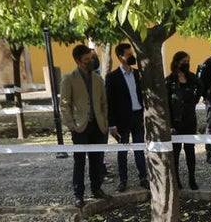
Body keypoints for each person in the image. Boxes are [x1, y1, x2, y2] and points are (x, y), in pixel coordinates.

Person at [60, 45, 111, 208]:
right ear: (78, 61)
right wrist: (71, 125)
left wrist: (105, 121)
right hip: (80, 127)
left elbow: (104, 102)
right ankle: (79, 194)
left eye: (91, 58)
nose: (91, 61)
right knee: (79, 161)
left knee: (97, 160)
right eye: (87, 59)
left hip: (98, 126)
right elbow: (65, 104)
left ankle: (97, 188)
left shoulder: (98, 79)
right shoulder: (69, 79)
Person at [105, 42, 148, 193]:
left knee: (139, 149)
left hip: (137, 116)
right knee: (122, 151)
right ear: (120, 57)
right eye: (129, 55)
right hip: (122, 120)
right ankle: (123, 180)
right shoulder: (112, 77)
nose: (132, 57)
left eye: (132, 54)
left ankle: (143, 178)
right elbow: (109, 102)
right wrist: (112, 124)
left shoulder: (138, 74)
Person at [165, 51, 201, 190]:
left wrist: (194, 100)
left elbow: (201, 87)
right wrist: (170, 125)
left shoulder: (192, 78)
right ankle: (177, 179)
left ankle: (192, 178)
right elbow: (167, 104)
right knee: (175, 152)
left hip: (190, 119)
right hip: (176, 121)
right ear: (177, 62)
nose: (186, 63)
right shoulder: (169, 81)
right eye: (184, 61)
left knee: (190, 151)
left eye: (188, 61)